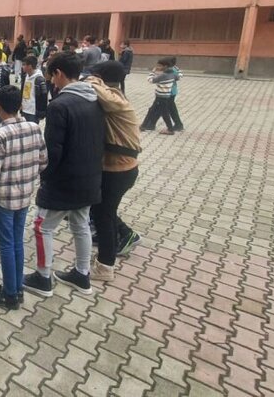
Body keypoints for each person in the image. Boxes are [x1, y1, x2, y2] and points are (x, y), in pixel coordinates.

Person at [24, 52, 105, 298]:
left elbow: (53, 152)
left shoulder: (59, 105)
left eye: (51, 75)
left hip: (64, 181)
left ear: (58, 73)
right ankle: (82, 274)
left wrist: (44, 177)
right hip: (90, 177)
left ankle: (43, 276)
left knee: (42, 227)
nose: (51, 80)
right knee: (80, 225)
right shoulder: (95, 99)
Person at [0, 85, 47, 310]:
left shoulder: (0, 134)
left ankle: (10, 294)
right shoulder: (34, 127)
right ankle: (17, 288)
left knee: (7, 244)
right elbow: (43, 161)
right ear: (20, 106)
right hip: (25, 195)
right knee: (17, 240)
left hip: (4, 198)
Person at [84, 62, 144, 282]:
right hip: (114, 168)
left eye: (95, 77)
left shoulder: (117, 101)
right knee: (101, 210)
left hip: (119, 171)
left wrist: (90, 79)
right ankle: (127, 235)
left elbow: (104, 95)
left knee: (103, 216)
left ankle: (105, 266)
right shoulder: (113, 98)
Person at [140, 59, 177, 134]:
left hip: (161, 96)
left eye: (159, 66)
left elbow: (151, 80)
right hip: (165, 95)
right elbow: (177, 78)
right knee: (152, 110)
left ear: (165, 66)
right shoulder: (172, 73)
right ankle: (143, 126)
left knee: (164, 113)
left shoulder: (163, 75)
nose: (157, 67)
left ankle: (170, 129)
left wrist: (153, 72)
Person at [20, 55, 48, 124]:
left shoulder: (39, 79)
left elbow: (43, 96)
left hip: (33, 111)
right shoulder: (25, 77)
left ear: (30, 66)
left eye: (24, 65)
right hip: (24, 109)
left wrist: (41, 112)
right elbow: (22, 91)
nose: (22, 67)